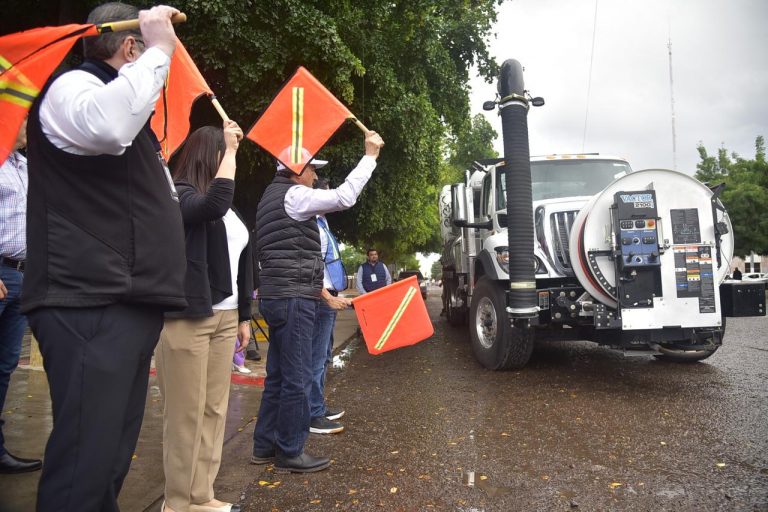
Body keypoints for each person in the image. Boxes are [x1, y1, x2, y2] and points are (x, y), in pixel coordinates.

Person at [22, 4, 187, 510]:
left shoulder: (118, 100)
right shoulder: (73, 87)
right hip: (89, 300)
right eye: (147, 46)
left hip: (124, 301)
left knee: (107, 463)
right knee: (83, 467)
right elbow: (107, 127)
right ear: (130, 46)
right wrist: (162, 48)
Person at [251, 132, 384, 473]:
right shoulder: (295, 195)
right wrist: (369, 155)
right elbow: (345, 196)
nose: (315, 177)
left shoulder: (268, 197)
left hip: (275, 296)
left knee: (277, 376)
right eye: (311, 169)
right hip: (295, 298)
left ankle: (264, 446)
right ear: (297, 170)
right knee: (296, 376)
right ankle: (290, 451)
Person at [155, 122, 250, 512]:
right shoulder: (179, 194)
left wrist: (244, 316)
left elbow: (245, 264)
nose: (230, 159)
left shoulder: (227, 206)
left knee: (214, 411)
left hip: (225, 318)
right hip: (188, 317)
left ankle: (201, 496)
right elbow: (212, 205)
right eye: (223, 152)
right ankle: (176, 503)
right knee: (184, 415)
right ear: (206, 154)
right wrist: (231, 149)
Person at [0, 120, 42, 474]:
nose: (29, 123)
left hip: (22, 274)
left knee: (4, 367)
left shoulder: (24, 166)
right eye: (24, 118)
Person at [309, 178, 348, 435]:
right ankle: (313, 414)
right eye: (324, 194)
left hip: (329, 297)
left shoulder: (323, 222)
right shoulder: (311, 223)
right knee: (315, 358)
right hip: (321, 298)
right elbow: (311, 267)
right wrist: (327, 297)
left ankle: (318, 406)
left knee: (323, 356)